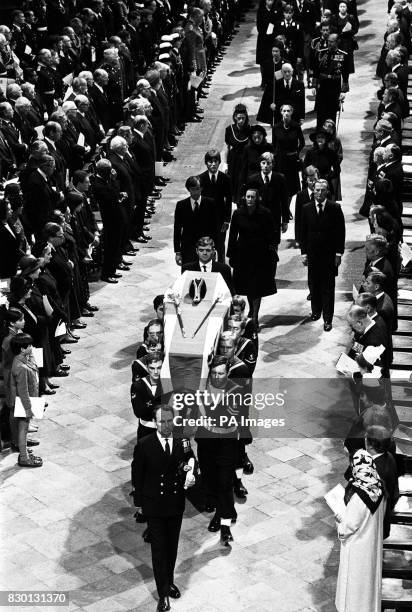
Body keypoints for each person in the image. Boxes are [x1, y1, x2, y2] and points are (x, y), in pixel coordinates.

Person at [131, 404, 196, 612]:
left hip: (175, 503)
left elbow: (190, 460)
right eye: (162, 422)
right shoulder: (145, 444)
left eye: (169, 421)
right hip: (155, 505)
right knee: (159, 550)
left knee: (172, 547)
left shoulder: (182, 441)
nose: (166, 425)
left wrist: (191, 473)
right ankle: (163, 594)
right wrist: (140, 504)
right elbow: (137, 475)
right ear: (155, 422)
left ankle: (168, 581)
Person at [195, 355, 241, 542]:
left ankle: (224, 524)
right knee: (208, 477)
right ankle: (216, 504)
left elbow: (226, 416)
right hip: (206, 441)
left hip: (226, 442)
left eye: (221, 373)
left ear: (227, 372)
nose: (217, 376)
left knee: (224, 483)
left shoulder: (235, 391)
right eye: (213, 372)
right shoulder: (203, 388)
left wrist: (204, 409)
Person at [335, 449, 384, 612]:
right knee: (368, 592)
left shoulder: (359, 497)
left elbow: (345, 530)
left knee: (355, 594)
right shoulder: (379, 489)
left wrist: (339, 518)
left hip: (357, 552)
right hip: (371, 548)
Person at [227, 186, 278, 327]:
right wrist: (230, 254)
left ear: (257, 198)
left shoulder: (265, 213)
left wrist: (271, 247)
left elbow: (273, 232)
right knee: (248, 286)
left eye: (252, 197)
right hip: (243, 254)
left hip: (260, 254)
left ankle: (254, 315)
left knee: (257, 286)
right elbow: (232, 235)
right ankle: (252, 310)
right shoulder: (238, 213)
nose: (249, 199)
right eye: (247, 197)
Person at [300, 179, 345, 331]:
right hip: (312, 254)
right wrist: (303, 253)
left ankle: (327, 318)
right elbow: (303, 232)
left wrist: (338, 253)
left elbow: (340, 232)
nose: (319, 193)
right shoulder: (306, 208)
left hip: (329, 255)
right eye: (317, 190)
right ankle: (315, 311)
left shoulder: (335, 208)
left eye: (322, 190)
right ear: (313, 191)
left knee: (328, 287)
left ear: (327, 192)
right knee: (314, 284)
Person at [9, 333, 43, 468]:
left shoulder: (23, 359)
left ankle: (24, 452)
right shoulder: (21, 368)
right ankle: (24, 457)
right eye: (29, 346)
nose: (31, 347)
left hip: (28, 400)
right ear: (22, 349)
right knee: (23, 429)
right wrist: (28, 409)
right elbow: (23, 391)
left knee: (24, 427)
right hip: (24, 403)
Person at [173, 175, 218, 266]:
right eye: (193, 189)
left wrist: (214, 248)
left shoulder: (210, 203)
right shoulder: (181, 205)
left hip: (206, 247)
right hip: (187, 247)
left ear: (201, 188)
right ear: (188, 189)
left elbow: (214, 228)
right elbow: (177, 229)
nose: (196, 192)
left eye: (198, 188)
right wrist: (178, 252)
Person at [198, 149, 232, 263]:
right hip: (205, 219)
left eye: (216, 161)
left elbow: (228, 200)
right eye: (210, 162)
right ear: (206, 163)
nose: (213, 164)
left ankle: (221, 270)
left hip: (220, 219)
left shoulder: (225, 178)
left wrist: (227, 220)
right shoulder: (200, 179)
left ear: (219, 162)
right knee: (206, 246)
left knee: (220, 246)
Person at [272, 103, 305, 199]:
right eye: (284, 111)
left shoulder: (296, 126)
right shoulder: (276, 127)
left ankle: (288, 206)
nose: (286, 113)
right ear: (281, 112)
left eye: (288, 111)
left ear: (291, 112)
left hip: (292, 159)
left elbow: (302, 143)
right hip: (280, 160)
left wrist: (296, 152)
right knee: (280, 184)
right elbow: (274, 145)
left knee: (291, 186)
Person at [303, 127, 340, 199]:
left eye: (322, 137)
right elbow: (304, 168)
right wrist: (309, 179)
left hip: (325, 184)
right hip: (312, 184)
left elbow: (337, 170)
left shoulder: (331, 153)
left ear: (326, 139)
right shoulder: (310, 152)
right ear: (316, 139)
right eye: (318, 137)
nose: (320, 139)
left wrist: (327, 177)